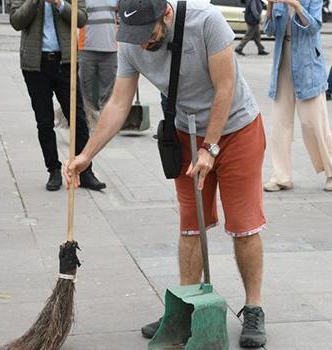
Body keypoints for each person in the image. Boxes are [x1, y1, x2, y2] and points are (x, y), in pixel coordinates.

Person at [65, 0, 268, 346]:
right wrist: (86, 155)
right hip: (186, 133)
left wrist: (212, 147)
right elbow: (118, 102)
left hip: (236, 130)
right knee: (191, 225)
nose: (143, 43)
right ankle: (187, 308)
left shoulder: (207, 22)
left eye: (149, 33)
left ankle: (253, 308)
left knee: (243, 224)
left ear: (167, 14)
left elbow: (225, 87)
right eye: (136, 36)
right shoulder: (130, 40)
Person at [10, 0, 106, 191]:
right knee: (44, 121)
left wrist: (60, 4)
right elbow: (16, 21)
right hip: (35, 65)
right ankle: (53, 169)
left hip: (65, 62)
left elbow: (81, 18)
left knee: (77, 118)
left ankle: (85, 171)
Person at [262, 0, 332, 192]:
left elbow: (314, 27)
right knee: (279, 125)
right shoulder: (279, 3)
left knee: (313, 124)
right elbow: (269, 31)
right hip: (282, 64)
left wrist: (296, 6)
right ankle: (281, 176)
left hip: (307, 65)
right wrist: (270, 6)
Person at [78, 0, 118, 119]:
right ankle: (88, 120)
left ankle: (105, 121)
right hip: (87, 47)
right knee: (85, 89)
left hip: (110, 48)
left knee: (109, 90)